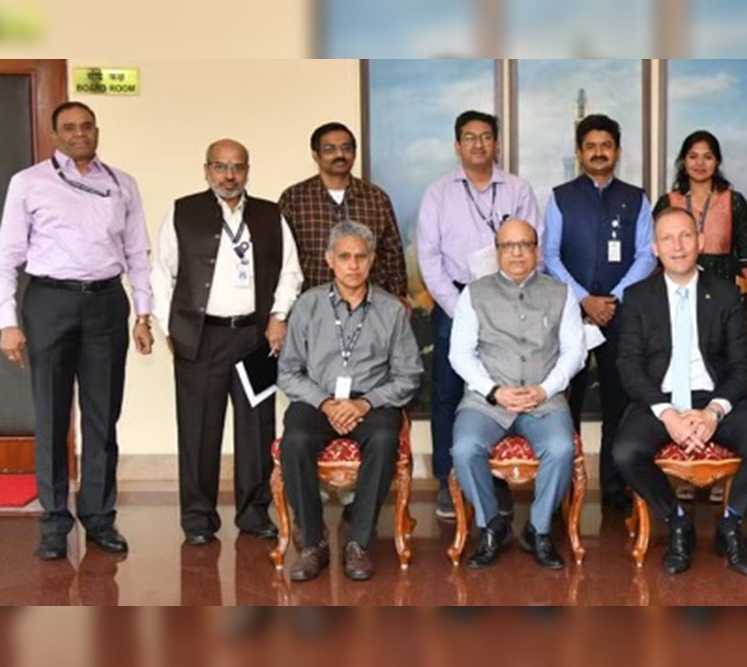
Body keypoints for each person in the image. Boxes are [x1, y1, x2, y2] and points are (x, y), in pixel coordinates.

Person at [0, 101, 153, 560]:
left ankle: (100, 519)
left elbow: (137, 252)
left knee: (103, 419)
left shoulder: (122, 184)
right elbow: (5, 258)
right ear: (55, 134)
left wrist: (143, 314)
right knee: (52, 417)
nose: (80, 133)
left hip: (106, 303)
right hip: (49, 303)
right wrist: (8, 323)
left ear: (96, 131)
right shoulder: (28, 183)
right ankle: (54, 522)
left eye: (87, 126)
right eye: (69, 127)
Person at [612, 207, 747, 576]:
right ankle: (676, 521)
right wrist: (667, 412)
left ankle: (731, 525)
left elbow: (741, 368)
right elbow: (629, 365)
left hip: (713, 397)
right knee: (625, 453)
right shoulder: (638, 296)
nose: (678, 246)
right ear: (655, 247)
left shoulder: (724, 295)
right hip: (660, 399)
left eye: (686, 236)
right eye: (668, 238)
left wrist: (714, 412)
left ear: (701, 242)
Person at [151, 139, 304, 545]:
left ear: (248, 171)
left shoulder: (271, 215)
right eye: (220, 167)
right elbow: (159, 275)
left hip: (256, 337)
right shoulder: (184, 211)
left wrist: (278, 316)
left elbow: (291, 273)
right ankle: (198, 519)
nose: (229, 175)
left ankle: (254, 513)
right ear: (206, 170)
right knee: (198, 430)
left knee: (257, 428)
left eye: (237, 167)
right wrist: (171, 330)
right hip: (201, 338)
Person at [277, 220, 423, 582]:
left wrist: (366, 404)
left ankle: (358, 543)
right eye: (345, 256)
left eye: (360, 256)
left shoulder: (391, 310)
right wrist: (326, 403)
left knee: (386, 437)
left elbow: (409, 375)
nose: (353, 265)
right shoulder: (308, 305)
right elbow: (288, 372)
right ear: (330, 259)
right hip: (317, 401)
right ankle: (313, 543)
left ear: (372, 260)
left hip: (371, 403)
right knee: (294, 439)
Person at [417, 110, 541, 520]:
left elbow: (532, 250)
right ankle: (445, 480)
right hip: (456, 300)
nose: (477, 145)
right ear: (457, 145)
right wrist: (462, 310)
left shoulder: (518, 189)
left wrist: (500, 308)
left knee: (502, 391)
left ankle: (496, 484)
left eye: (486, 137)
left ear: (497, 143)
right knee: (449, 393)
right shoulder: (438, 193)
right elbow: (429, 258)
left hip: (509, 304)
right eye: (469, 138)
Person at [448, 219, 586, 570]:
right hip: (488, 400)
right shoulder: (474, 293)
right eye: (509, 246)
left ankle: (537, 530)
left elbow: (575, 352)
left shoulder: (561, 292)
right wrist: (494, 391)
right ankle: (492, 525)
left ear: (537, 250)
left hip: (544, 397)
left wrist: (545, 389)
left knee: (561, 447)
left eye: (525, 244)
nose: (517, 252)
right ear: (497, 252)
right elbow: (460, 354)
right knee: (465, 449)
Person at [544, 113, 657, 515]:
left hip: (621, 315)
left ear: (617, 151)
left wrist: (612, 298)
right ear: (579, 153)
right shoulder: (560, 197)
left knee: (619, 402)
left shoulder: (636, 198)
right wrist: (583, 299)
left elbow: (647, 253)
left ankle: (614, 486)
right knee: (565, 403)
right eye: (590, 146)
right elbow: (550, 256)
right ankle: (562, 488)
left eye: (605, 146)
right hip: (571, 315)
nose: (598, 152)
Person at [655, 130, 747, 505]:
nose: (700, 163)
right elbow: (656, 259)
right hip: (678, 301)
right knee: (686, 374)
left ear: (717, 161)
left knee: (722, 379)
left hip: (724, 302)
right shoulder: (667, 202)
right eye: (693, 156)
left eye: (708, 156)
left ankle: (722, 476)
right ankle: (687, 464)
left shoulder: (734, 201)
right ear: (683, 161)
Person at [278, 121, 408, 297]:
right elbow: (282, 258)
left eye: (346, 148)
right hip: (313, 307)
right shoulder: (294, 198)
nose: (340, 154)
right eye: (330, 149)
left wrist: (398, 296)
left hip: (371, 307)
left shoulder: (376, 198)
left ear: (354, 154)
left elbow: (393, 255)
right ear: (316, 155)